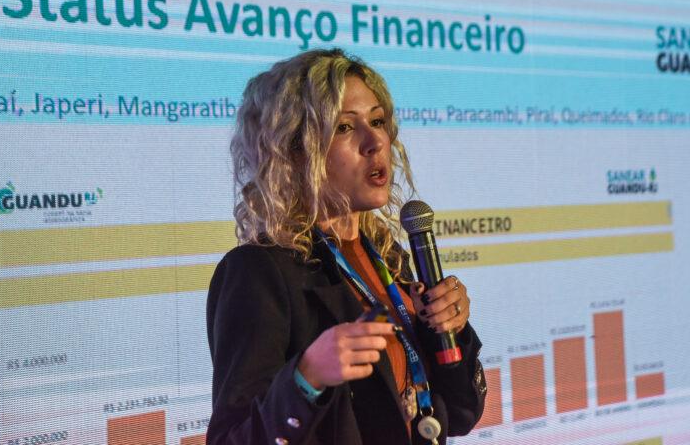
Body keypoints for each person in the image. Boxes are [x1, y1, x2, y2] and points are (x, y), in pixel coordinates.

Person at [206, 48, 486, 444]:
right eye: (344, 127)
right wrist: (306, 379)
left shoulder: (388, 258)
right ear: (295, 151)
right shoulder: (258, 272)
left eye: (378, 121)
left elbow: (460, 413)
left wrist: (450, 329)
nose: (375, 141)